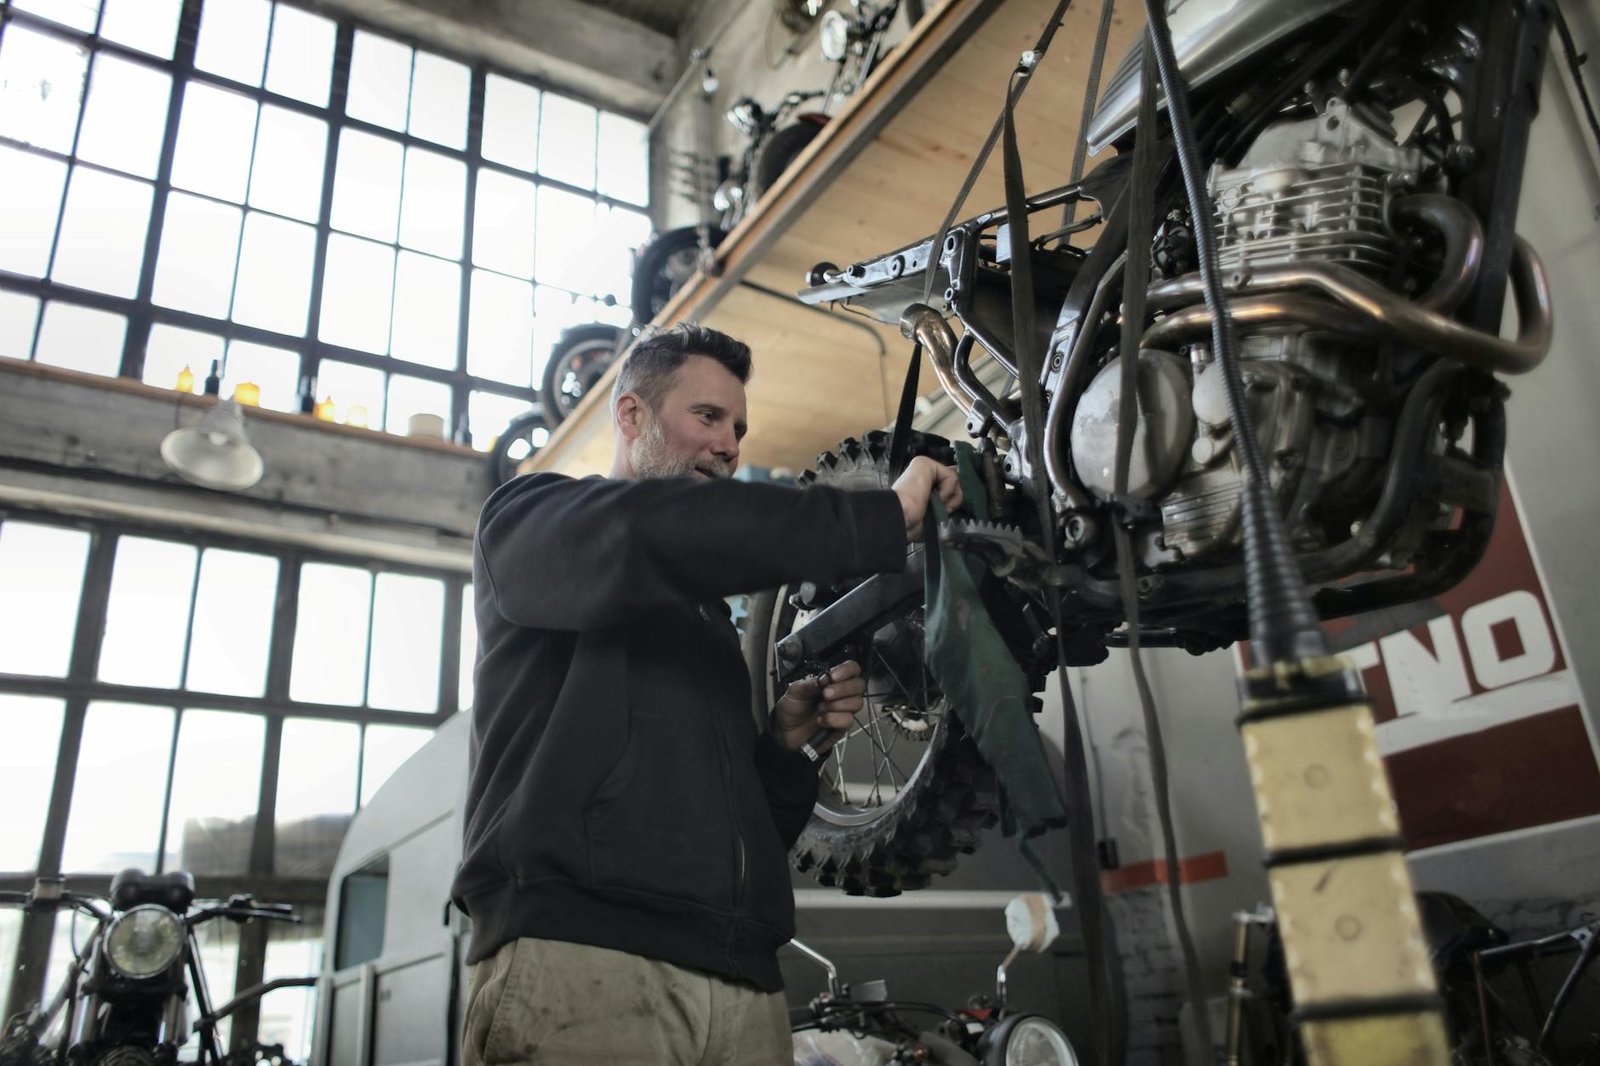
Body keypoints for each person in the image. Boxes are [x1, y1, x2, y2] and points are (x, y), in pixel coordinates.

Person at [450, 322, 960, 1066]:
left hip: (742, 978)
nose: (729, 444)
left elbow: (743, 840)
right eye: (708, 417)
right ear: (631, 416)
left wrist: (787, 752)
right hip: (583, 961)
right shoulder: (531, 523)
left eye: (739, 428)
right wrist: (882, 516)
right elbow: (656, 533)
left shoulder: (712, 628)